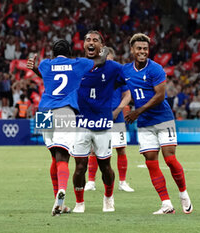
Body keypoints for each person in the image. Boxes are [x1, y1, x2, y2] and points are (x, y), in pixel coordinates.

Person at [26, 39, 108, 216]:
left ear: (53, 54)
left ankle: (58, 200)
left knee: (54, 157)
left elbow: (47, 78)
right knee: (63, 157)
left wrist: (34, 69)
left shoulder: (46, 64)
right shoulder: (77, 63)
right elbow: (99, 61)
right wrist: (104, 49)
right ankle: (61, 194)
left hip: (44, 111)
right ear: (70, 53)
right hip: (64, 110)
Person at [120, 33, 193, 214]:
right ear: (132, 50)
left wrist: (137, 111)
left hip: (163, 119)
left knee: (169, 159)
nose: (142, 51)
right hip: (145, 124)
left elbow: (160, 96)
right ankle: (166, 204)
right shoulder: (125, 71)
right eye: (139, 48)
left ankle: (183, 193)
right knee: (151, 162)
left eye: (145, 48)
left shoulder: (156, 69)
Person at [71, 31, 123, 213]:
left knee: (105, 166)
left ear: (102, 46)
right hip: (81, 124)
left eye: (95, 40)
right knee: (79, 167)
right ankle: (79, 203)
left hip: (103, 125)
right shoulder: (76, 65)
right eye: (87, 40)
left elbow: (127, 84)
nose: (90, 42)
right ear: (83, 44)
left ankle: (108, 198)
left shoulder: (113, 67)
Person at [84, 48, 134, 193]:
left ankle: (122, 182)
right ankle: (91, 182)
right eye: (106, 60)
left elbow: (127, 95)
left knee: (121, 149)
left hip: (116, 117)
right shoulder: (93, 74)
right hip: (98, 116)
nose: (108, 63)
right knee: (93, 150)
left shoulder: (119, 75)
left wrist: (118, 110)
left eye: (110, 60)